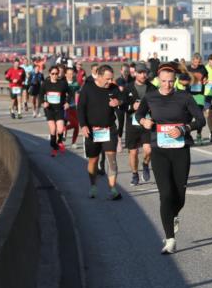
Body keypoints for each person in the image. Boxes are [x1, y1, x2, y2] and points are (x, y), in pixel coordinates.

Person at [136, 62, 206, 254]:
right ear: (158, 80)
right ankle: (170, 240)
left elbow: (201, 120)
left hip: (180, 149)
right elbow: (138, 114)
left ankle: (173, 215)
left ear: (175, 81)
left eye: (171, 81)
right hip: (159, 150)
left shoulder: (184, 97)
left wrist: (184, 128)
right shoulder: (150, 97)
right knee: (165, 194)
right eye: (164, 81)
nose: (167, 85)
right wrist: (144, 121)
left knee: (179, 196)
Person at [78, 64, 124, 200]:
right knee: (93, 160)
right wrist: (83, 125)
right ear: (98, 76)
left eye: (111, 79)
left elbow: (124, 99)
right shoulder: (88, 88)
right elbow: (81, 108)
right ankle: (93, 186)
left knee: (112, 160)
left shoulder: (113, 88)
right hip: (92, 130)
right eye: (107, 79)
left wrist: (118, 101)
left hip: (109, 129)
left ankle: (113, 189)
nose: (110, 82)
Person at [124, 63, 154, 185]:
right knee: (133, 152)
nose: (143, 75)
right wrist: (132, 106)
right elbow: (122, 106)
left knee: (148, 150)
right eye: (140, 72)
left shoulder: (152, 88)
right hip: (132, 124)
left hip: (147, 123)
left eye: (145, 72)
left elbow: (157, 104)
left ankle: (145, 164)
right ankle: (135, 174)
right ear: (135, 73)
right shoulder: (128, 88)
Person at [40, 65, 69, 157]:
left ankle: (59, 142)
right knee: (53, 130)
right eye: (53, 74)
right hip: (50, 110)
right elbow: (40, 95)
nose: (55, 75)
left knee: (60, 130)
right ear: (49, 74)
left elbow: (70, 93)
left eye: (56, 74)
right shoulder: (45, 83)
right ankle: (54, 147)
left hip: (59, 109)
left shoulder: (63, 83)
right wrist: (43, 102)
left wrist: (67, 102)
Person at [186, 53, 209, 144]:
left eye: (199, 62)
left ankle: (199, 135)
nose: (198, 64)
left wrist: (205, 80)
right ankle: (187, 134)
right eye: (196, 62)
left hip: (200, 95)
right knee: (188, 116)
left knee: (199, 116)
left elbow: (206, 77)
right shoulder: (188, 68)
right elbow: (182, 79)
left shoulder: (203, 68)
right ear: (192, 60)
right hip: (189, 94)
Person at [64, 65, 82, 149]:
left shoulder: (76, 84)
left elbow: (78, 95)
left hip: (74, 107)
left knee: (76, 126)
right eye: (69, 73)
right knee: (74, 124)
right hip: (65, 108)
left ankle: (73, 142)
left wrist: (78, 104)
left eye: (72, 73)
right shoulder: (63, 84)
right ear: (65, 74)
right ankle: (61, 131)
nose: (70, 75)